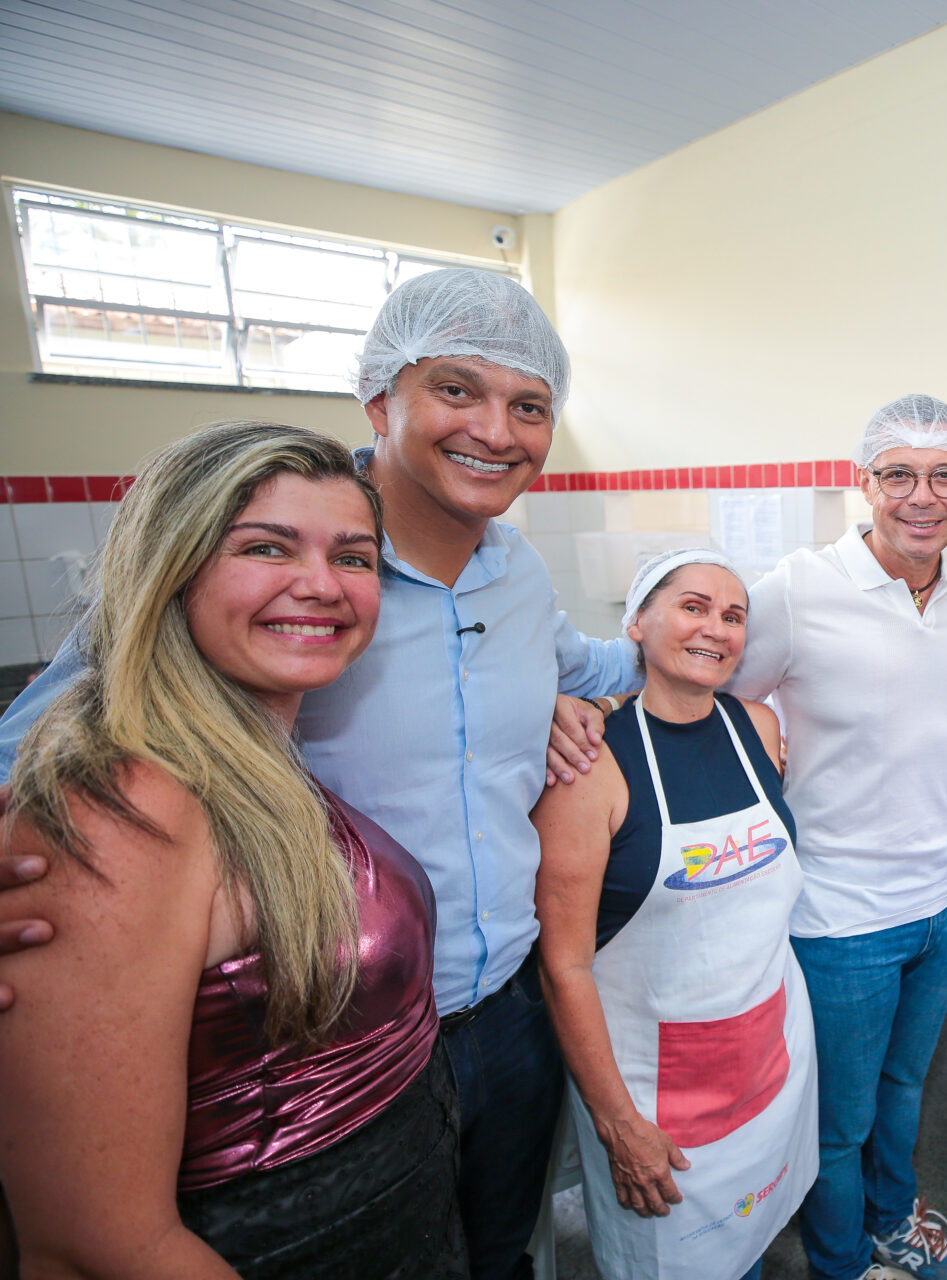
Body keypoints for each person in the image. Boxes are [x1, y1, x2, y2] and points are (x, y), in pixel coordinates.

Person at [0, 268, 639, 1280]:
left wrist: (693, 653)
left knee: (488, 1250)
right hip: (319, 1040)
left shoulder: (516, 573)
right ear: (381, 400)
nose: (495, 429)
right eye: (457, 389)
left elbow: (593, 665)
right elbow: (48, 735)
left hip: (512, 1005)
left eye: (529, 405)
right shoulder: (274, 570)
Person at [0, 422, 462, 1277]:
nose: (321, 585)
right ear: (172, 567)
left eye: (353, 558)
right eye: (266, 547)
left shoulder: (251, 755)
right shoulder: (126, 803)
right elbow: (98, 1247)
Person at [728, 394, 947, 1280]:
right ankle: (841, 1263)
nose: (922, 496)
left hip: (946, 895)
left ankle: (892, 1226)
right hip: (840, 914)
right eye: (898, 475)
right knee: (839, 1121)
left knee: (906, 1088)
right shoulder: (799, 588)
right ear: (864, 483)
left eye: (945, 475)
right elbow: (718, 697)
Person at [534, 549, 815, 1280]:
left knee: (750, 1243)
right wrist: (618, 1124)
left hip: (769, 1051)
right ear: (636, 623)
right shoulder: (589, 767)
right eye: (693, 607)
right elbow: (564, 967)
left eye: (733, 616)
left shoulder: (757, 728)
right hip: (656, 1089)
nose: (716, 628)